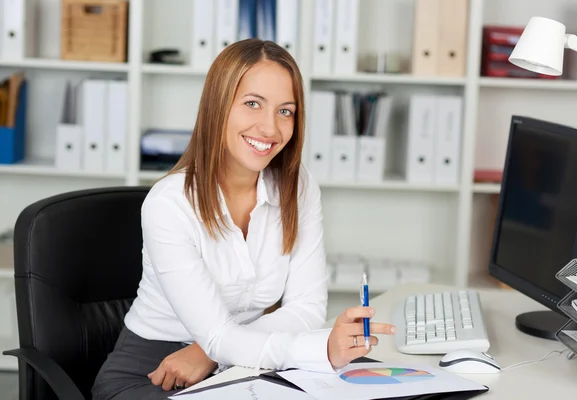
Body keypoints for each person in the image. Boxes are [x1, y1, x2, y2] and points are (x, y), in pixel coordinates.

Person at [91, 38, 396, 400]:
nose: (270, 129)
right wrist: (315, 350)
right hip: (157, 367)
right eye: (253, 104)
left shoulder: (296, 186)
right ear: (218, 107)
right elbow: (220, 335)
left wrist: (210, 351)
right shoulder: (169, 204)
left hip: (248, 359)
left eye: (286, 111)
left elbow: (307, 309)